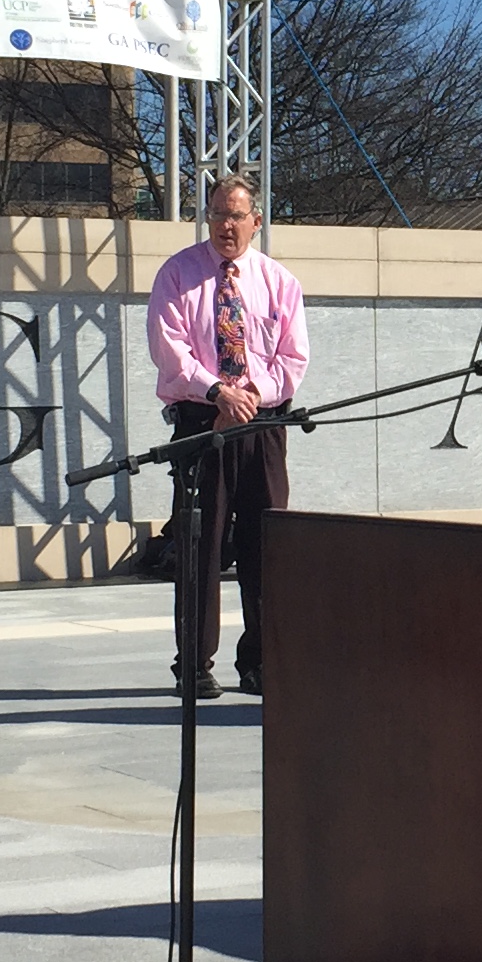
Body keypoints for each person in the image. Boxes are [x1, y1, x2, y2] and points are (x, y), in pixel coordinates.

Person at [146, 173, 306, 698]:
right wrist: (218, 392)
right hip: (201, 423)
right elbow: (169, 348)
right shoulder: (177, 274)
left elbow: (292, 358)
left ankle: (259, 661)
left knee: (267, 548)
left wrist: (249, 395)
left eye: (236, 215)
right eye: (217, 214)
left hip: (262, 425)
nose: (226, 225)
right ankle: (193, 664)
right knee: (201, 547)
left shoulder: (280, 282)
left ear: (256, 221)